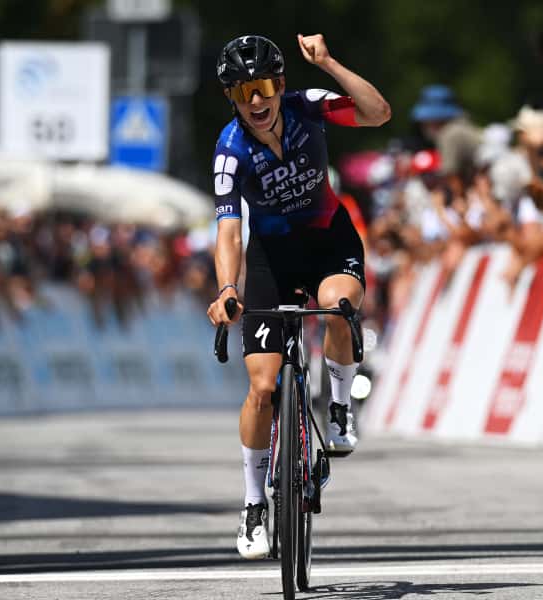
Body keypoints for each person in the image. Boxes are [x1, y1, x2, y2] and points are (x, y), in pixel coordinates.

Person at [205, 33, 390, 560]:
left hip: (329, 239)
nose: (255, 102)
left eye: (263, 87)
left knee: (338, 305)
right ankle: (252, 505)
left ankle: (337, 409)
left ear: (279, 85)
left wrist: (329, 62)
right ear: (232, 99)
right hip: (271, 258)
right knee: (262, 388)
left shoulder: (307, 108)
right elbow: (228, 233)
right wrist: (226, 290)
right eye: (242, 94)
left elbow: (377, 114)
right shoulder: (229, 151)